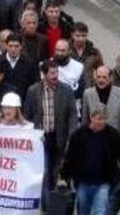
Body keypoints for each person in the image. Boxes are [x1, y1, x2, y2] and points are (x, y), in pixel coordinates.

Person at [24, 60, 78, 198]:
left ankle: (58, 201)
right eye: (52, 73)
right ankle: (47, 202)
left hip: (60, 136)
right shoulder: (33, 90)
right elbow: (27, 116)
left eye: (56, 72)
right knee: (45, 171)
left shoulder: (66, 90)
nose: (55, 76)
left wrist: (72, 134)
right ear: (44, 74)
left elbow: (72, 113)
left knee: (59, 169)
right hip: (41, 138)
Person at [60, 107, 120, 215]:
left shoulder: (113, 135)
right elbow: (70, 157)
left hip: (103, 183)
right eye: (98, 119)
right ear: (91, 117)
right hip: (83, 183)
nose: (101, 122)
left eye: (104, 119)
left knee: (101, 211)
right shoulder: (79, 134)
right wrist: (64, 176)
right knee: (83, 211)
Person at [82, 66, 120, 135]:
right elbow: (85, 119)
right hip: (94, 136)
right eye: (98, 77)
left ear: (111, 78)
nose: (101, 80)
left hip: (115, 137)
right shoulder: (87, 93)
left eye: (104, 77)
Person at [0, 34, 39, 100]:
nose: (13, 49)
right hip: (3, 99)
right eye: (10, 46)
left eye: (16, 46)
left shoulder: (29, 63)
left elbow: (34, 83)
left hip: (23, 99)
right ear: (6, 46)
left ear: (21, 47)